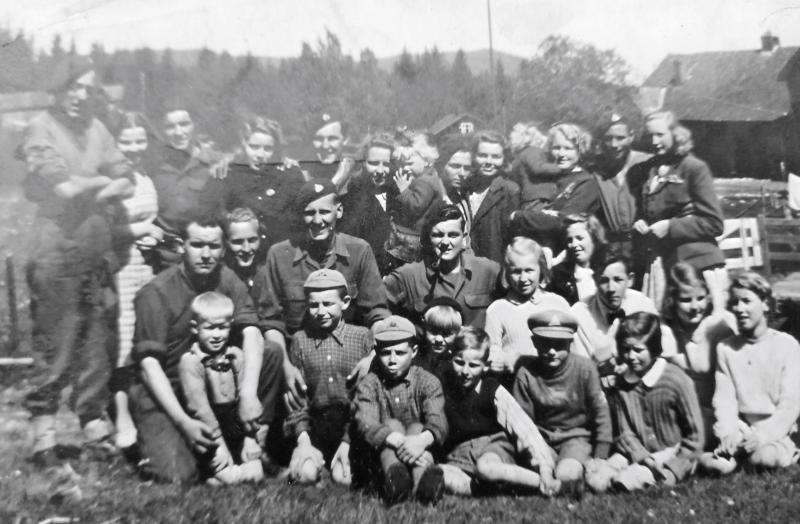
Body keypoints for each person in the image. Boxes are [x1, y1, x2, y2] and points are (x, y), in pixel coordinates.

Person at [18, 64, 134, 466]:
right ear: (57, 89)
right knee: (56, 342)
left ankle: (93, 425)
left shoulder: (97, 128)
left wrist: (94, 183)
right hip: (56, 253)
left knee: (97, 341)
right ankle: (44, 437)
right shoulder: (40, 128)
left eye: (87, 88)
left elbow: (128, 179)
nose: (80, 96)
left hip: (97, 252)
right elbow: (62, 189)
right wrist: (101, 184)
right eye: (72, 87)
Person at [129, 216, 283, 483]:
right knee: (178, 474)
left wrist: (247, 394)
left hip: (211, 386)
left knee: (268, 351)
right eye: (197, 245)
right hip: (169, 393)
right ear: (182, 246)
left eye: (213, 246)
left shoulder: (226, 277)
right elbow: (149, 366)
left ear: (223, 249)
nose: (206, 254)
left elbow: (251, 331)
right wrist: (183, 422)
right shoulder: (156, 292)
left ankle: (251, 441)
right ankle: (198, 452)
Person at [260, 178, 389, 400]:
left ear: (338, 211)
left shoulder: (359, 251)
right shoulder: (279, 255)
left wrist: (373, 357)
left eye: (324, 212)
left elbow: (377, 312)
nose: (317, 220)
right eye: (310, 213)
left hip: (350, 359)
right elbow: (271, 321)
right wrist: (286, 368)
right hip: (298, 360)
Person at [701, 272, 800, 474]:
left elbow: (790, 405)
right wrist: (728, 433)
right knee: (720, 464)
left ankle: (755, 458)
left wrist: (762, 436)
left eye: (746, 301)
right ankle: (709, 460)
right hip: (743, 430)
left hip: (778, 431)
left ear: (765, 304)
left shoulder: (786, 345)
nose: (739, 309)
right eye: (735, 303)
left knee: (763, 457)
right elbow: (725, 400)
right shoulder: (726, 349)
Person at [629, 111, 725, 310]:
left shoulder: (694, 168)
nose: (654, 141)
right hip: (661, 265)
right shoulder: (647, 170)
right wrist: (640, 221)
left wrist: (670, 226)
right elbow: (650, 209)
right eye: (649, 135)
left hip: (696, 265)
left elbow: (714, 222)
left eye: (660, 135)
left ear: (675, 134)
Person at [284, 269, 373, 486]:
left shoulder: (362, 337)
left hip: (352, 428)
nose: (321, 311)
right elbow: (297, 401)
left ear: (344, 302)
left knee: (343, 480)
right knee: (305, 475)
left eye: (328, 304)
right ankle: (312, 462)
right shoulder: (300, 340)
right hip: (316, 428)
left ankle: (337, 465)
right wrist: (304, 441)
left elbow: (371, 396)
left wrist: (348, 440)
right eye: (314, 305)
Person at [512, 309, 613, 495]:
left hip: (575, 439)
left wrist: (600, 456)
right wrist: (533, 452)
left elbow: (601, 414)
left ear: (570, 343)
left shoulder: (585, 369)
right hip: (541, 440)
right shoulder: (526, 373)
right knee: (536, 470)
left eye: (559, 345)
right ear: (534, 342)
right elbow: (522, 422)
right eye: (544, 344)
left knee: (566, 472)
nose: (551, 351)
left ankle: (568, 480)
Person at [351, 316, 449, 505]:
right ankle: (396, 480)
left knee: (418, 427)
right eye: (386, 353)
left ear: (413, 351)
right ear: (377, 352)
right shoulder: (370, 383)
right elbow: (366, 421)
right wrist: (396, 439)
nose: (392, 360)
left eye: (400, 353)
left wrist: (420, 441)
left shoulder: (428, 382)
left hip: (420, 446)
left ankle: (424, 484)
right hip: (382, 453)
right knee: (391, 424)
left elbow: (438, 419)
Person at [603, 312, 705, 491]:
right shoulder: (622, 384)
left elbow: (695, 437)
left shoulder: (675, 379)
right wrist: (641, 456)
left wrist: (675, 469)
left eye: (638, 350)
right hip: (638, 452)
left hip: (673, 452)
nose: (631, 356)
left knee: (625, 482)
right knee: (597, 479)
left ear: (654, 348)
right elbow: (624, 432)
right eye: (626, 349)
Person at [108, 111, 162, 450]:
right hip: (119, 270)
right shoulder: (110, 181)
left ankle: (146, 411)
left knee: (145, 337)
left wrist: (152, 237)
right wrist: (141, 230)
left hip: (146, 266)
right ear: (114, 144)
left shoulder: (144, 175)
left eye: (140, 140)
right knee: (122, 343)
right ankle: (121, 414)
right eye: (126, 142)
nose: (133, 148)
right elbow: (103, 231)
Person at [439, 327, 545, 496]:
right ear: (451, 357)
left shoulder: (491, 389)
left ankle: (543, 484)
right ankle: (485, 488)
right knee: (439, 473)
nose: (465, 371)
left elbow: (523, 428)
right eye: (459, 362)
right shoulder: (445, 388)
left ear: (485, 366)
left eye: (473, 365)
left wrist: (544, 466)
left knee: (486, 468)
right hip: (460, 457)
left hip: (493, 449)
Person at [178, 292, 265, 484]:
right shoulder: (191, 362)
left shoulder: (236, 356)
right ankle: (213, 469)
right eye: (209, 328)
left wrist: (250, 438)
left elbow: (246, 400)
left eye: (222, 328)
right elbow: (200, 409)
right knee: (231, 476)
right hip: (209, 429)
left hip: (234, 425)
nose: (217, 335)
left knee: (254, 473)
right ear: (195, 328)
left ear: (231, 325)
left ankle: (233, 465)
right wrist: (219, 446)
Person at [385, 204, 502, 330]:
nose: (445, 243)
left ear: (464, 237)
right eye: (438, 235)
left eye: (453, 235)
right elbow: (378, 307)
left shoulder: (488, 271)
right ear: (428, 238)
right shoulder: (409, 276)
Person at [571, 249, 677, 384]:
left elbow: (666, 347)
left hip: (640, 385)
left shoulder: (642, 302)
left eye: (618, 280)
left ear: (630, 279)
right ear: (595, 280)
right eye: (603, 281)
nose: (611, 288)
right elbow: (581, 371)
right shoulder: (579, 313)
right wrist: (599, 358)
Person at [662, 262, 735, 447]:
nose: (695, 307)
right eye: (686, 300)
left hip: (717, 412)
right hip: (682, 410)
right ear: (672, 300)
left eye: (701, 298)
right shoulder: (668, 331)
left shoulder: (717, 326)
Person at [149, 106, 228, 271]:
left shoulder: (216, 162)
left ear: (195, 125)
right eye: (170, 127)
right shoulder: (153, 165)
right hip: (165, 256)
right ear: (161, 130)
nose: (178, 132)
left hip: (206, 255)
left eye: (184, 124)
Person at [510, 123, 601, 254]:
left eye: (568, 148)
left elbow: (561, 222)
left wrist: (519, 217)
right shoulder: (547, 176)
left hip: (566, 253)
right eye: (556, 147)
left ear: (580, 150)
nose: (561, 154)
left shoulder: (586, 182)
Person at [485, 237, 570, 377]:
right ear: (507, 272)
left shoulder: (557, 303)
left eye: (529, 270)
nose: (523, 279)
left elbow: (573, 348)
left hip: (554, 382)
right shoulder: (497, 309)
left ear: (541, 269)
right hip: (515, 383)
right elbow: (493, 351)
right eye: (516, 272)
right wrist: (501, 360)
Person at [224, 116, 305, 250]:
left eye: (267, 149)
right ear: (244, 143)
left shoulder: (290, 174)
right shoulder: (230, 173)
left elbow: (302, 218)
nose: (260, 154)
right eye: (254, 147)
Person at [454, 130, 520, 264]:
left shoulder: (509, 190)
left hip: (493, 265)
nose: (489, 162)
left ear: (504, 159)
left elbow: (513, 237)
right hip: (463, 263)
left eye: (495, 157)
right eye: (483, 155)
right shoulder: (466, 186)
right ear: (473, 156)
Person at [591, 115, 651, 257]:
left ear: (631, 137)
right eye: (608, 138)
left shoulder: (647, 163)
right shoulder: (595, 169)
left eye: (620, 138)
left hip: (644, 243)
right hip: (611, 247)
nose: (613, 145)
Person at [384, 130, 444, 265]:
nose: (407, 168)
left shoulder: (424, 181)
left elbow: (416, 206)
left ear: (427, 162)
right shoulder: (429, 178)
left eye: (410, 164)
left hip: (413, 237)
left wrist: (404, 190)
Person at [339, 133, 395, 274]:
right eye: (374, 163)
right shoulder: (353, 197)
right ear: (363, 163)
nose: (381, 171)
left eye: (386, 164)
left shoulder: (394, 192)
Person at [549, 214, 607, 305]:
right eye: (569, 240)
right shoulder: (558, 275)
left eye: (579, 238)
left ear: (594, 239)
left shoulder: (608, 270)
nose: (574, 244)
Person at [508, 121, 561, 209]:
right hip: (540, 199)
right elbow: (538, 168)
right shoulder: (532, 151)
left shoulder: (517, 158)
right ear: (527, 137)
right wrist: (562, 167)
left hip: (528, 199)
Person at [303, 113, 357, 191]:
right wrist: (337, 179)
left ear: (345, 140)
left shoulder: (356, 171)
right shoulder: (301, 173)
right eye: (319, 139)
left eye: (332, 139)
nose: (325, 146)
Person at [415, 297, 464, 376]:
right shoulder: (416, 359)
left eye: (447, 334)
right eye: (433, 332)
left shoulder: (458, 363)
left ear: (458, 333)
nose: (439, 339)